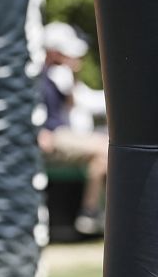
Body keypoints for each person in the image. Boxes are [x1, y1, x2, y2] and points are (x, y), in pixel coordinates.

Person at [38, 21, 109, 236]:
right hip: (52, 136)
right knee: (106, 149)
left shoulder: (58, 75)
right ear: (53, 52)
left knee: (105, 156)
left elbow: (79, 102)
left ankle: (95, 215)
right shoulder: (42, 76)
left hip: (61, 135)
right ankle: (90, 213)